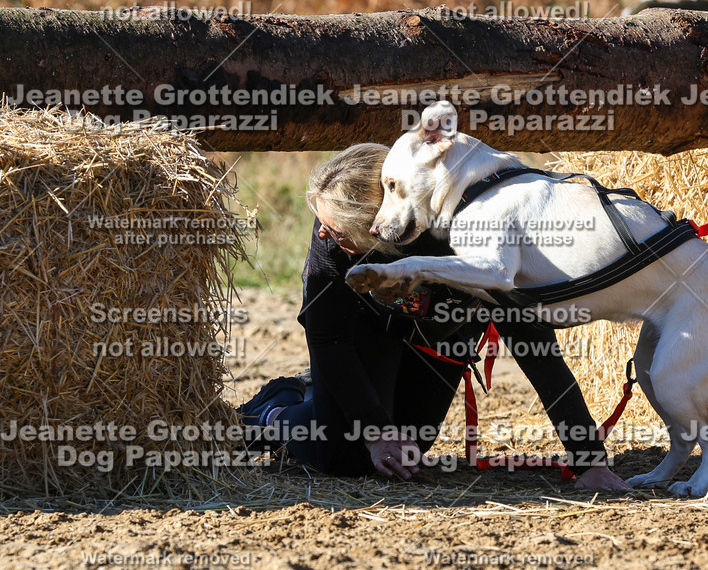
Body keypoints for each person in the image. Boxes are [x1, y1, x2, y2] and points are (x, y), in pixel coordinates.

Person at [238, 143, 629, 490]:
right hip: (364, 334)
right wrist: (375, 431)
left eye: (335, 230)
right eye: (321, 223)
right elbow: (327, 337)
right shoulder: (333, 233)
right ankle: (274, 412)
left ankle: (313, 393)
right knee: (347, 456)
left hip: (438, 337)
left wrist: (588, 459)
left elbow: (535, 346)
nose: (322, 235)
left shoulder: (473, 238)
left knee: (409, 446)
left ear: (379, 227)